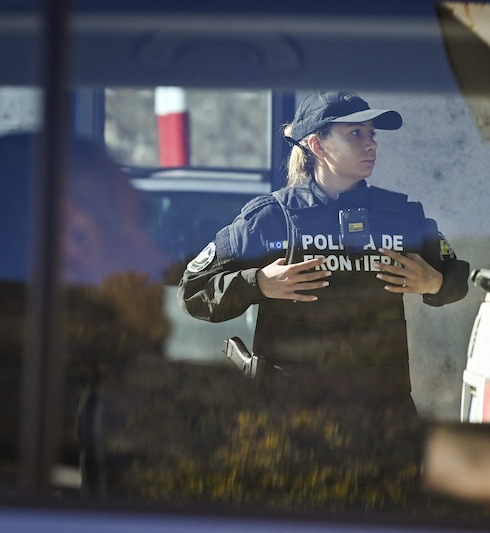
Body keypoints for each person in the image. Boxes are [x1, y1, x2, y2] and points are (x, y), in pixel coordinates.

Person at [178, 90, 469, 424]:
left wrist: (436, 283)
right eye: (355, 134)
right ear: (317, 145)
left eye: (371, 134)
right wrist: (256, 283)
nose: (371, 144)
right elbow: (193, 290)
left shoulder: (401, 217)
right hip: (291, 420)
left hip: (380, 418)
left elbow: (459, 278)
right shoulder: (272, 217)